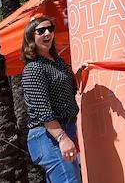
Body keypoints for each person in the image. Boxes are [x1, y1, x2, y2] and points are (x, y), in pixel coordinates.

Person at [22, 16, 82, 183]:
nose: (48, 33)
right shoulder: (33, 68)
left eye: (50, 28)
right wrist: (62, 138)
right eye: (41, 31)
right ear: (30, 37)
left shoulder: (57, 63)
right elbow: (43, 110)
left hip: (61, 131)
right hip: (48, 135)